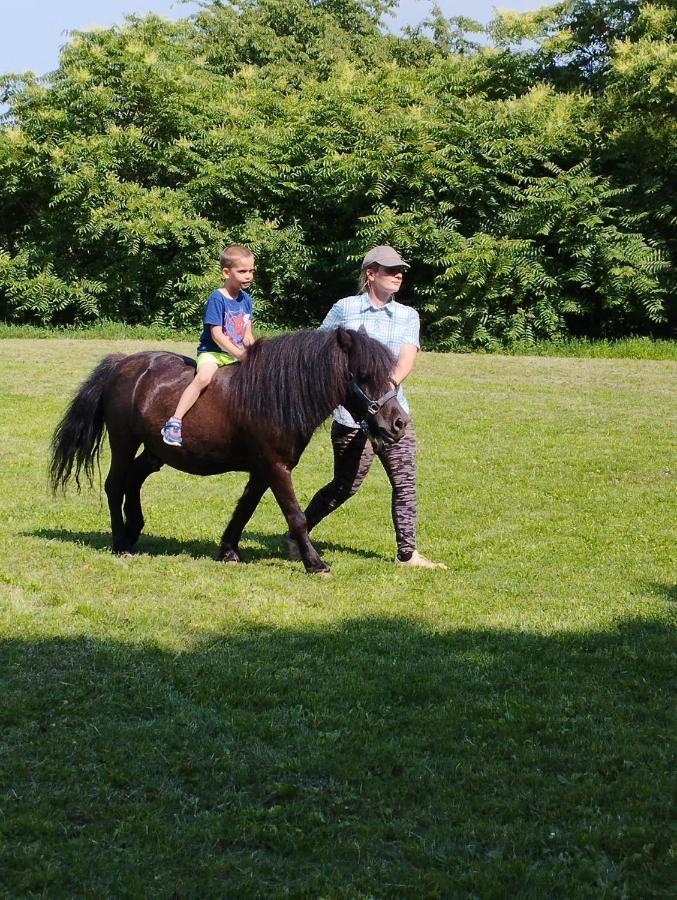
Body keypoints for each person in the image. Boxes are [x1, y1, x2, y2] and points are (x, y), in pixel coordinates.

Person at [290, 245, 447, 568]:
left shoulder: (407, 316)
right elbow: (319, 351)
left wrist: (380, 397)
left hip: (391, 415)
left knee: (404, 484)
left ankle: (407, 553)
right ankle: (296, 533)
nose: (398, 275)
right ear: (370, 274)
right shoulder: (345, 309)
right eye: (390, 270)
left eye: (400, 270)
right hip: (350, 418)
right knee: (344, 487)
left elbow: (406, 359)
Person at [162, 244, 256, 447]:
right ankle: (175, 421)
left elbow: (247, 334)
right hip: (213, 353)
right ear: (226, 272)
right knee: (203, 378)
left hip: (236, 354)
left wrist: (255, 352)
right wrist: (240, 355)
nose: (248, 275)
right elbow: (216, 334)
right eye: (242, 271)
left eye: (251, 271)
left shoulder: (246, 299)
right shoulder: (217, 298)